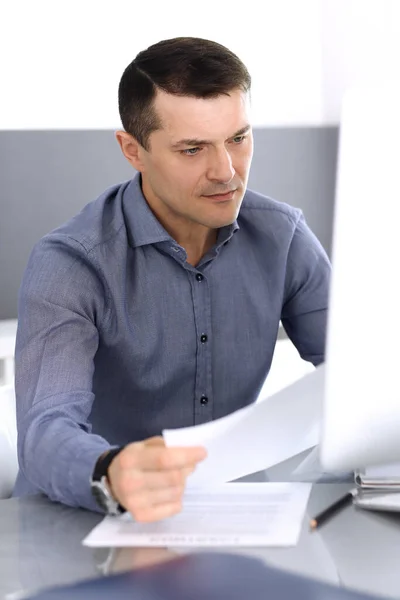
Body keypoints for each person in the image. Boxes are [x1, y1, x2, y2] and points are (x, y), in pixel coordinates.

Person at [13, 37, 330, 522]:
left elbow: (363, 378)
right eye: (192, 149)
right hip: (82, 520)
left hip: (217, 516)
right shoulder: (71, 263)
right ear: (132, 150)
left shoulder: (283, 236)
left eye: (238, 138)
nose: (226, 172)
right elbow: (46, 431)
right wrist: (112, 471)